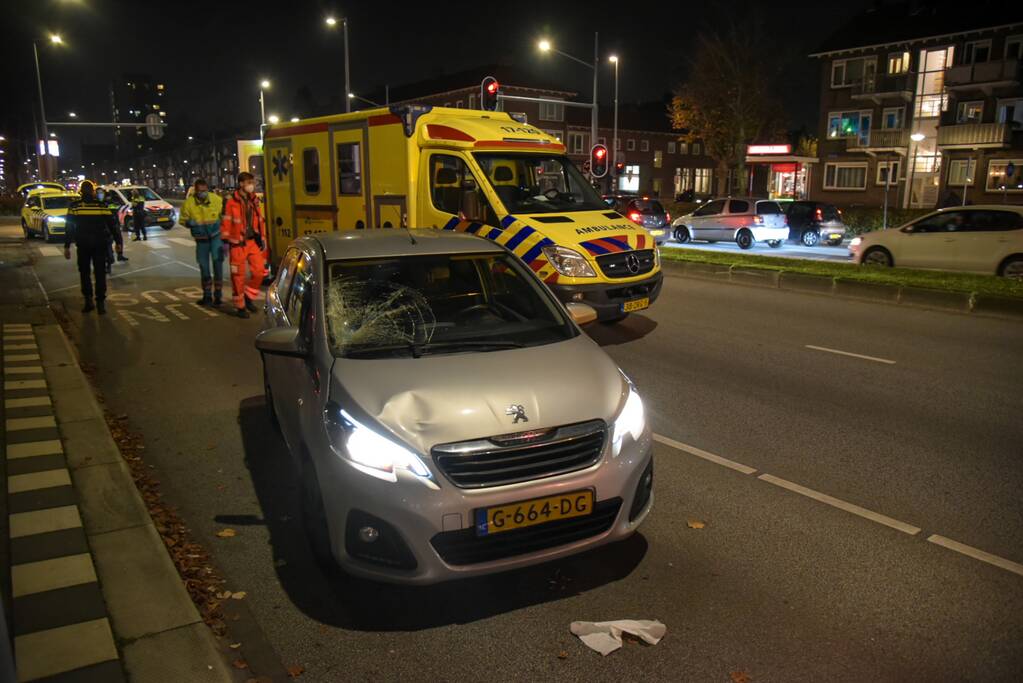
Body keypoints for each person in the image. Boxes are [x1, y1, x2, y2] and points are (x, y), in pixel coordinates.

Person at [64, 180, 119, 314]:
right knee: (100, 273)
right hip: (100, 244)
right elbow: (112, 225)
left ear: (81, 192)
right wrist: (118, 242)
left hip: (83, 245)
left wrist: (67, 246)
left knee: (84, 273)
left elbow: (69, 228)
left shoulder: (75, 206)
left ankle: (88, 301)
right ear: (93, 191)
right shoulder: (101, 205)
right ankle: (100, 303)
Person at [221, 172, 266, 318]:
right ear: (241, 184)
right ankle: (240, 306)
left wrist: (263, 238)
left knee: (260, 272)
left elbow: (260, 220)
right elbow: (226, 222)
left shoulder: (254, 200)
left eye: (252, 182)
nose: (252, 185)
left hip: (252, 241)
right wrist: (225, 242)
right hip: (237, 244)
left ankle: (248, 298)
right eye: (249, 182)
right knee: (238, 277)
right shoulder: (231, 202)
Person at [179, 178, 225, 306]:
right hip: (201, 241)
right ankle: (207, 296)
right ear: (196, 191)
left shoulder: (216, 199)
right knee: (204, 267)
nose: (202, 193)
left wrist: (225, 237)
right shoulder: (189, 204)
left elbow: (224, 216)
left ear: (207, 189)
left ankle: (218, 296)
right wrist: (189, 223)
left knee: (218, 264)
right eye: (200, 191)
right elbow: (182, 220)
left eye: (204, 191)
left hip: (216, 237)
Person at [97, 186, 127, 274]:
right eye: (98, 193)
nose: (100, 195)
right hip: (102, 228)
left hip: (112, 225)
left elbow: (115, 211)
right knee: (107, 247)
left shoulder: (109, 202)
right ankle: (108, 265)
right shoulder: (95, 204)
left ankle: (119, 255)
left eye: (101, 193)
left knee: (118, 241)